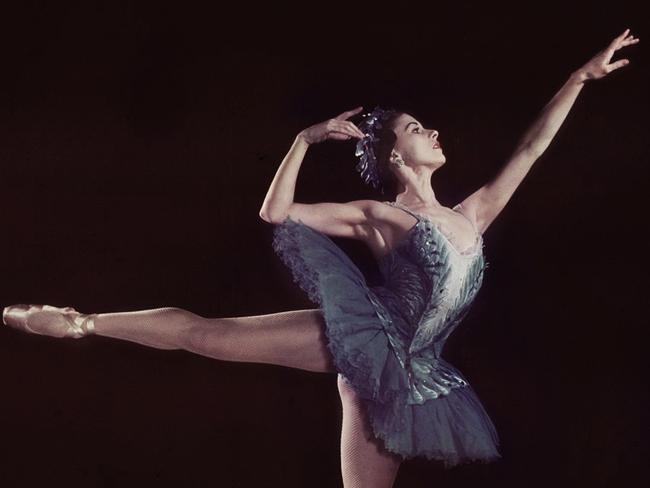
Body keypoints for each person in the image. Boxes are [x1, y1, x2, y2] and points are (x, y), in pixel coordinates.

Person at [2, 29, 638, 488]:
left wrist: (579, 78)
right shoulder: (381, 216)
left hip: (417, 376)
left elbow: (529, 150)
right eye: (418, 129)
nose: (434, 133)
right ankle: (83, 321)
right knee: (209, 334)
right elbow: (277, 213)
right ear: (394, 156)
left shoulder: (472, 214)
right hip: (365, 345)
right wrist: (303, 141)